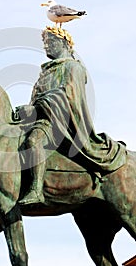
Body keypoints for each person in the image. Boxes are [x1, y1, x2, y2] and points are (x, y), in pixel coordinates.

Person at [17, 28, 126, 205]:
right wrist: (26, 111)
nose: (46, 47)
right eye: (45, 44)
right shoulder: (46, 72)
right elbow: (36, 99)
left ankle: (36, 190)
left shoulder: (73, 67)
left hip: (58, 123)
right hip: (40, 118)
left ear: (64, 44)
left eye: (50, 42)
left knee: (33, 142)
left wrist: (37, 108)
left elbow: (68, 96)